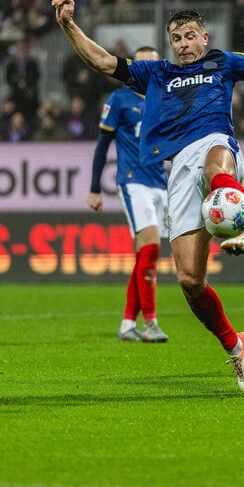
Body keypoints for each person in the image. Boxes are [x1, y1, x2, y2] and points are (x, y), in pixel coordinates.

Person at [53, 0, 244, 392]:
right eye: (177, 38)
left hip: (217, 145)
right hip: (177, 169)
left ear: (204, 38)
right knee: (189, 280)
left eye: (190, 36)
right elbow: (104, 62)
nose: (184, 44)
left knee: (215, 162)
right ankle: (235, 344)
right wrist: (69, 25)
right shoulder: (155, 74)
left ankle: (243, 228)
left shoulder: (223, 61)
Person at [88, 46, 170, 344]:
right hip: (133, 182)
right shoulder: (120, 99)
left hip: (160, 183)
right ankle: (150, 322)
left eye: (154, 64)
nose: (149, 70)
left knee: (144, 256)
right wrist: (95, 188)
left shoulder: (164, 101)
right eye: (143, 64)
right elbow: (102, 145)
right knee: (150, 249)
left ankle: (126, 323)